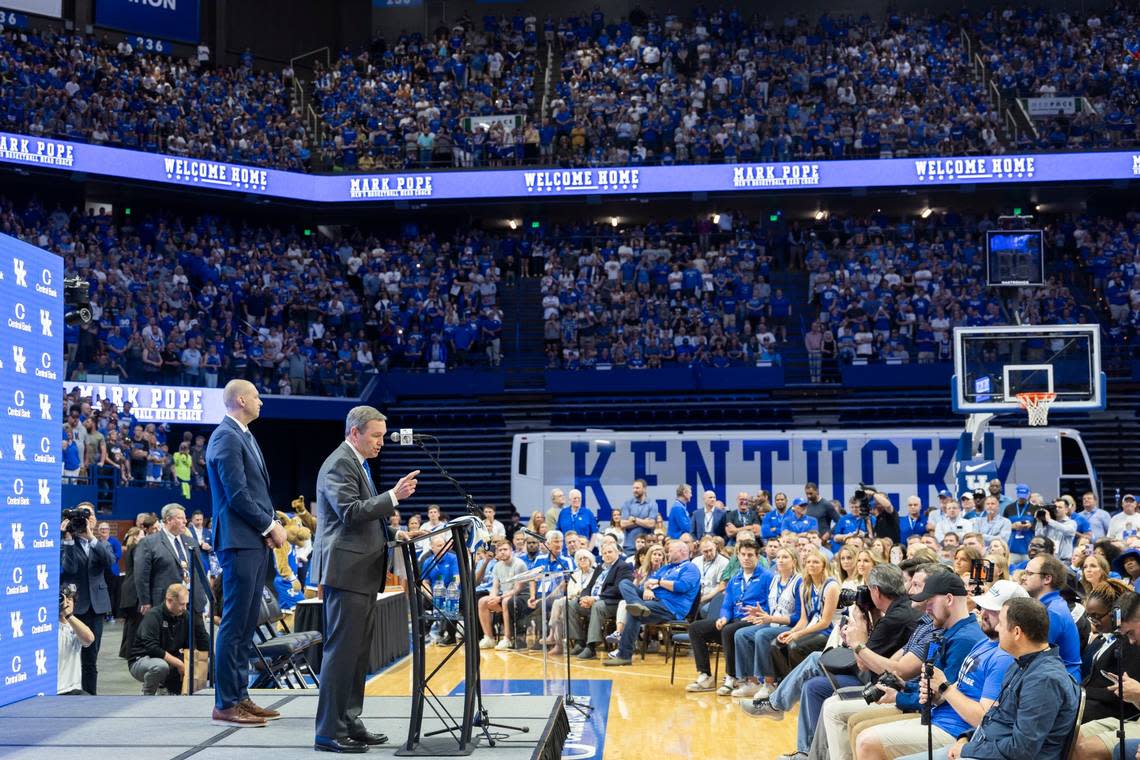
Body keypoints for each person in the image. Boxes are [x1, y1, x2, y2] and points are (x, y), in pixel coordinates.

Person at [311, 405, 419, 753]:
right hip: (346, 572)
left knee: (357, 654)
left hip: (361, 571)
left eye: (383, 437)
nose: (381, 443)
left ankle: (349, 720)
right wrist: (393, 497)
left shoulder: (358, 463)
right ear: (354, 433)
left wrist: (391, 535)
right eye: (375, 436)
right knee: (341, 653)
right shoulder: (339, 463)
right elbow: (350, 512)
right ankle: (329, 730)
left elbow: (364, 518)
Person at [861, 579, 1026, 760]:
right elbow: (958, 690)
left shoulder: (1001, 657)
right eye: (983, 606)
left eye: (993, 610)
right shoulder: (983, 643)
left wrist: (942, 687)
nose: (983, 613)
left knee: (867, 741)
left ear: (1011, 619)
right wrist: (930, 692)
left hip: (956, 731)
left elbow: (983, 719)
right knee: (861, 732)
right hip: (938, 718)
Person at [205, 379, 289, 727]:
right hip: (239, 540)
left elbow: (253, 492)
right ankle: (226, 703)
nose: (261, 402)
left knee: (245, 625)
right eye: (256, 396)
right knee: (235, 624)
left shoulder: (243, 435)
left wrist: (267, 525)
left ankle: (240, 695)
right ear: (241, 399)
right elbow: (237, 494)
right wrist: (270, 526)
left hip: (251, 540)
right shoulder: (226, 436)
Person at [942, 597, 1081, 760]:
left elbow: (1021, 750)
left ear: (1016, 632)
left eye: (1000, 623)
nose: (998, 628)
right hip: (985, 748)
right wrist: (966, 738)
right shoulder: (1022, 663)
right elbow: (998, 718)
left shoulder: (1044, 680)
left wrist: (968, 749)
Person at [686, 540, 769, 693]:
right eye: (743, 554)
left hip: (754, 621)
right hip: (734, 619)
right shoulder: (735, 578)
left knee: (728, 630)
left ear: (758, 556)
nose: (746, 558)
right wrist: (723, 617)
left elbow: (771, 603)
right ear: (738, 556)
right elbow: (727, 604)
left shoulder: (767, 577)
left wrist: (761, 614)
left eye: (750, 555)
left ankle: (731, 677)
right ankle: (705, 676)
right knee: (695, 628)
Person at [603, 539, 700, 666]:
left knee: (634, 613)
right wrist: (648, 588)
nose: (667, 553)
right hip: (652, 600)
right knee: (625, 583)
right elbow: (649, 582)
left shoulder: (691, 568)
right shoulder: (667, 568)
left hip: (670, 607)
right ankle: (637, 604)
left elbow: (681, 586)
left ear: (682, 551)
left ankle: (624, 655)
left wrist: (659, 583)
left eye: (670, 551)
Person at [59, 501, 116, 695]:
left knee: (91, 658)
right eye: (82, 517)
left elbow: (109, 562)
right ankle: (71, 691)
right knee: (71, 655)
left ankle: (91, 698)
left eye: (89, 516)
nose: (86, 520)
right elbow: (70, 569)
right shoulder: (68, 543)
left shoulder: (102, 543)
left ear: (95, 520)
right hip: (75, 606)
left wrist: (91, 537)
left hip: (97, 606)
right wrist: (67, 539)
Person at [128, 583, 209, 695]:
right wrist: (179, 664)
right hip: (142, 660)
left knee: (203, 664)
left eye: (186, 604)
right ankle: (147, 695)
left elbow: (192, 644)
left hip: (169, 659)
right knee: (161, 666)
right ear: (169, 600)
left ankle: (170, 691)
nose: (185, 608)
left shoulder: (185, 616)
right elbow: (152, 648)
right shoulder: (153, 616)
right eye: (182, 604)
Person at [1019, 553, 1083, 679]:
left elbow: (1030, 653)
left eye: (1029, 573)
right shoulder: (1048, 605)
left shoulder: (1052, 612)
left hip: (1061, 681)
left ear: (1047, 579)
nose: (1023, 578)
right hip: (1049, 674)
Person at [134, 503, 207, 614]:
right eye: (180, 518)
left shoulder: (191, 542)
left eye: (185, 518)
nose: (185, 521)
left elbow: (199, 572)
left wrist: (202, 596)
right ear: (168, 520)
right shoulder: (149, 542)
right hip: (165, 602)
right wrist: (145, 601)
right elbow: (141, 576)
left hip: (193, 602)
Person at [568, 541, 634, 660]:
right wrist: (584, 597)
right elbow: (588, 586)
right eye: (604, 553)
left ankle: (591, 647)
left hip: (613, 603)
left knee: (597, 606)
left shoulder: (624, 566)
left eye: (610, 552)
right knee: (570, 604)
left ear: (617, 552)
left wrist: (594, 598)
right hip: (594, 600)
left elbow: (618, 589)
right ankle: (579, 641)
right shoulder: (600, 567)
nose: (607, 555)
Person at [477, 539, 528, 651]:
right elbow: (495, 586)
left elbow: (518, 589)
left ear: (511, 551)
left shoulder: (519, 564)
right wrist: (492, 598)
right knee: (482, 601)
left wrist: (499, 598)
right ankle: (489, 638)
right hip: (505, 595)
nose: (502, 552)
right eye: (500, 550)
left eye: (505, 549)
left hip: (521, 597)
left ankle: (507, 638)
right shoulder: (497, 566)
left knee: (505, 601)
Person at [57, 585, 95, 694]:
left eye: (69, 599)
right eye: (62, 599)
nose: (66, 603)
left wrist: (68, 615)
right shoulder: (46, 628)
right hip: (55, 690)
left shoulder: (76, 626)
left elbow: (89, 639)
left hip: (74, 689)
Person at [619, 479, 656, 556]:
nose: (635, 490)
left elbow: (651, 524)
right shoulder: (627, 503)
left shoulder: (652, 504)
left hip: (646, 545)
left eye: (637, 488)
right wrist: (643, 521)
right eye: (634, 488)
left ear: (644, 489)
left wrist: (634, 520)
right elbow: (623, 524)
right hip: (629, 546)